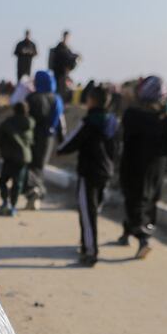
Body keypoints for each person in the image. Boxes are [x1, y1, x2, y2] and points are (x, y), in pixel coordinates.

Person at [118, 76, 167, 259]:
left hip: (135, 165)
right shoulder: (166, 119)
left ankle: (143, 238)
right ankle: (127, 233)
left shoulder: (133, 115)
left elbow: (123, 139)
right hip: (157, 169)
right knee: (149, 201)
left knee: (134, 201)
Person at [56, 85, 118, 266]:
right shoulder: (113, 121)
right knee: (93, 211)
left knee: (87, 213)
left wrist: (60, 147)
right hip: (106, 171)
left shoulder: (89, 121)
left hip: (88, 172)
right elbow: (117, 147)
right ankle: (86, 245)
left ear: (92, 100)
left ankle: (91, 251)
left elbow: (70, 142)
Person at [24, 69, 66, 210]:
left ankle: (32, 191)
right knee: (40, 167)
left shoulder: (31, 98)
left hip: (31, 138)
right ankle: (37, 193)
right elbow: (61, 122)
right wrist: (62, 142)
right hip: (48, 139)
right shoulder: (57, 99)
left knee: (29, 165)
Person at [0, 101, 34, 216]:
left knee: (2, 180)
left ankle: (5, 202)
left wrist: (3, 147)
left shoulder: (8, 122)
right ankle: (13, 206)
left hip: (9, 157)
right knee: (17, 183)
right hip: (24, 158)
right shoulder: (30, 123)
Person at [49, 31, 80, 98]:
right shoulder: (60, 47)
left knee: (62, 90)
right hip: (58, 72)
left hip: (64, 73)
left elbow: (71, 57)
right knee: (59, 90)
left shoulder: (67, 49)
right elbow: (64, 58)